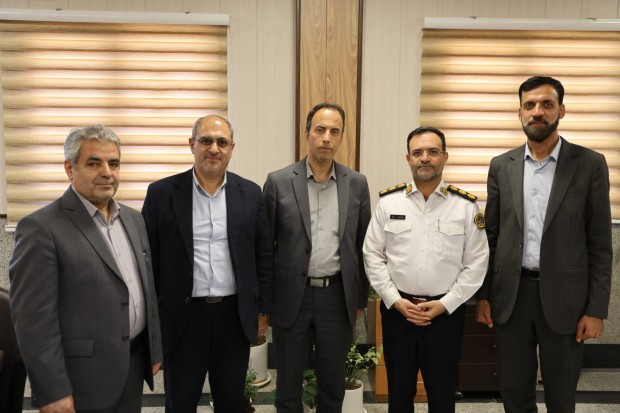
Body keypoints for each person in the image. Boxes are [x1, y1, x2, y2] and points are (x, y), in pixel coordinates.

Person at [475, 76, 613, 412]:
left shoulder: (590, 164)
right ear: (519, 113)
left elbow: (600, 245)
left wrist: (595, 309)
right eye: (530, 105)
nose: (537, 111)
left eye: (547, 104)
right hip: (511, 298)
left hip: (567, 299)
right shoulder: (501, 166)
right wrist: (484, 295)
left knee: (561, 396)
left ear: (561, 110)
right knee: (514, 392)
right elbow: (490, 237)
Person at [9, 125, 163, 413]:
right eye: (94, 163)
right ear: (70, 168)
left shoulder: (133, 219)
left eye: (113, 163)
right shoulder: (40, 228)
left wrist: (153, 348)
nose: (107, 172)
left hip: (132, 368)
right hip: (81, 380)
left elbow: (146, 288)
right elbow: (33, 323)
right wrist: (53, 391)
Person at [141, 115, 272, 412]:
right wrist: (153, 319)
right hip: (183, 319)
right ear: (192, 145)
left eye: (222, 142)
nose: (214, 148)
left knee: (231, 403)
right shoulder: (161, 193)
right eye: (206, 141)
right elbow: (148, 261)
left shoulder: (251, 194)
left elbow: (263, 256)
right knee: (180, 403)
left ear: (231, 148)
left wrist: (263, 310)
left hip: (233, 317)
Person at [363, 126, 489, 412]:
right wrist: (394, 300)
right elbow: (372, 254)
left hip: (445, 316)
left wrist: (446, 303)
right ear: (408, 158)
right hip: (398, 314)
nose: (425, 158)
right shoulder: (389, 202)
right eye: (418, 152)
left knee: (443, 396)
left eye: (432, 151)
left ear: (444, 156)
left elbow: (477, 262)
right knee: (399, 396)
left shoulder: (466, 206)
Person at [263, 102, 371, 413]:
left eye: (334, 131)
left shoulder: (357, 183)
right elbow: (265, 248)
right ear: (307, 133)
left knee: (333, 386)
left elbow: (364, 246)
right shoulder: (278, 181)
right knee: (287, 386)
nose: (327, 137)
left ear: (341, 137)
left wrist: (360, 300)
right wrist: (264, 305)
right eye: (320, 130)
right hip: (290, 298)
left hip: (336, 297)